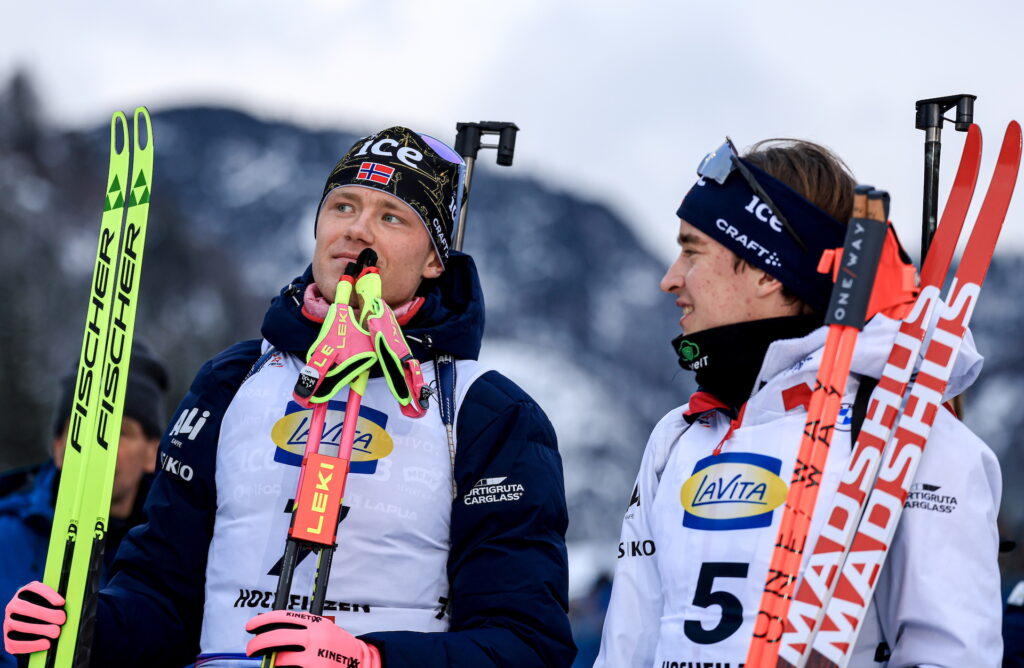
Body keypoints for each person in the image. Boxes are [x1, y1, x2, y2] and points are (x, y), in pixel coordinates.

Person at [3, 127, 575, 667]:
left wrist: (372, 659)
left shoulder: (486, 412)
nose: (356, 230)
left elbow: (527, 642)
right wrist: (89, 630)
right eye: (342, 206)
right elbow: (162, 593)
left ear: (434, 260)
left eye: (392, 216)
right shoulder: (232, 381)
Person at [594, 138, 1002, 666]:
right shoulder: (680, 436)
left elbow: (952, 656)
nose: (670, 278)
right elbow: (628, 646)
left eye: (692, 250)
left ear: (768, 272)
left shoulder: (911, 437)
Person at [0, 343, 169, 668]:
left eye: (120, 431)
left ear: (152, 452)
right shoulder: (5, 538)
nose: (99, 448)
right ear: (59, 446)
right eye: (85, 428)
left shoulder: (175, 550)